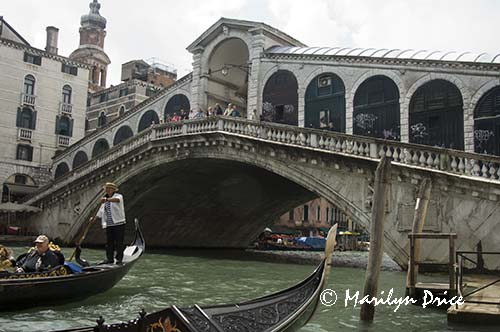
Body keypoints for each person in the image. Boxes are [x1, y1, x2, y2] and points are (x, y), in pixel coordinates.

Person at [91, 182, 126, 265]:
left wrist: (106, 200)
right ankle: (109, 259)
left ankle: (119, 259)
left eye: (109, 188)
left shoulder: (118, 196)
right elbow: (101, 211)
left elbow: (117, 200)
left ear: (113, 190)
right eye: (106, 188)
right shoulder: (105, 200)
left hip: (119, 223)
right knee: (109, 243)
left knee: (119, 242)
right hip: (109, 224)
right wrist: (94, 218)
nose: (107, 190)